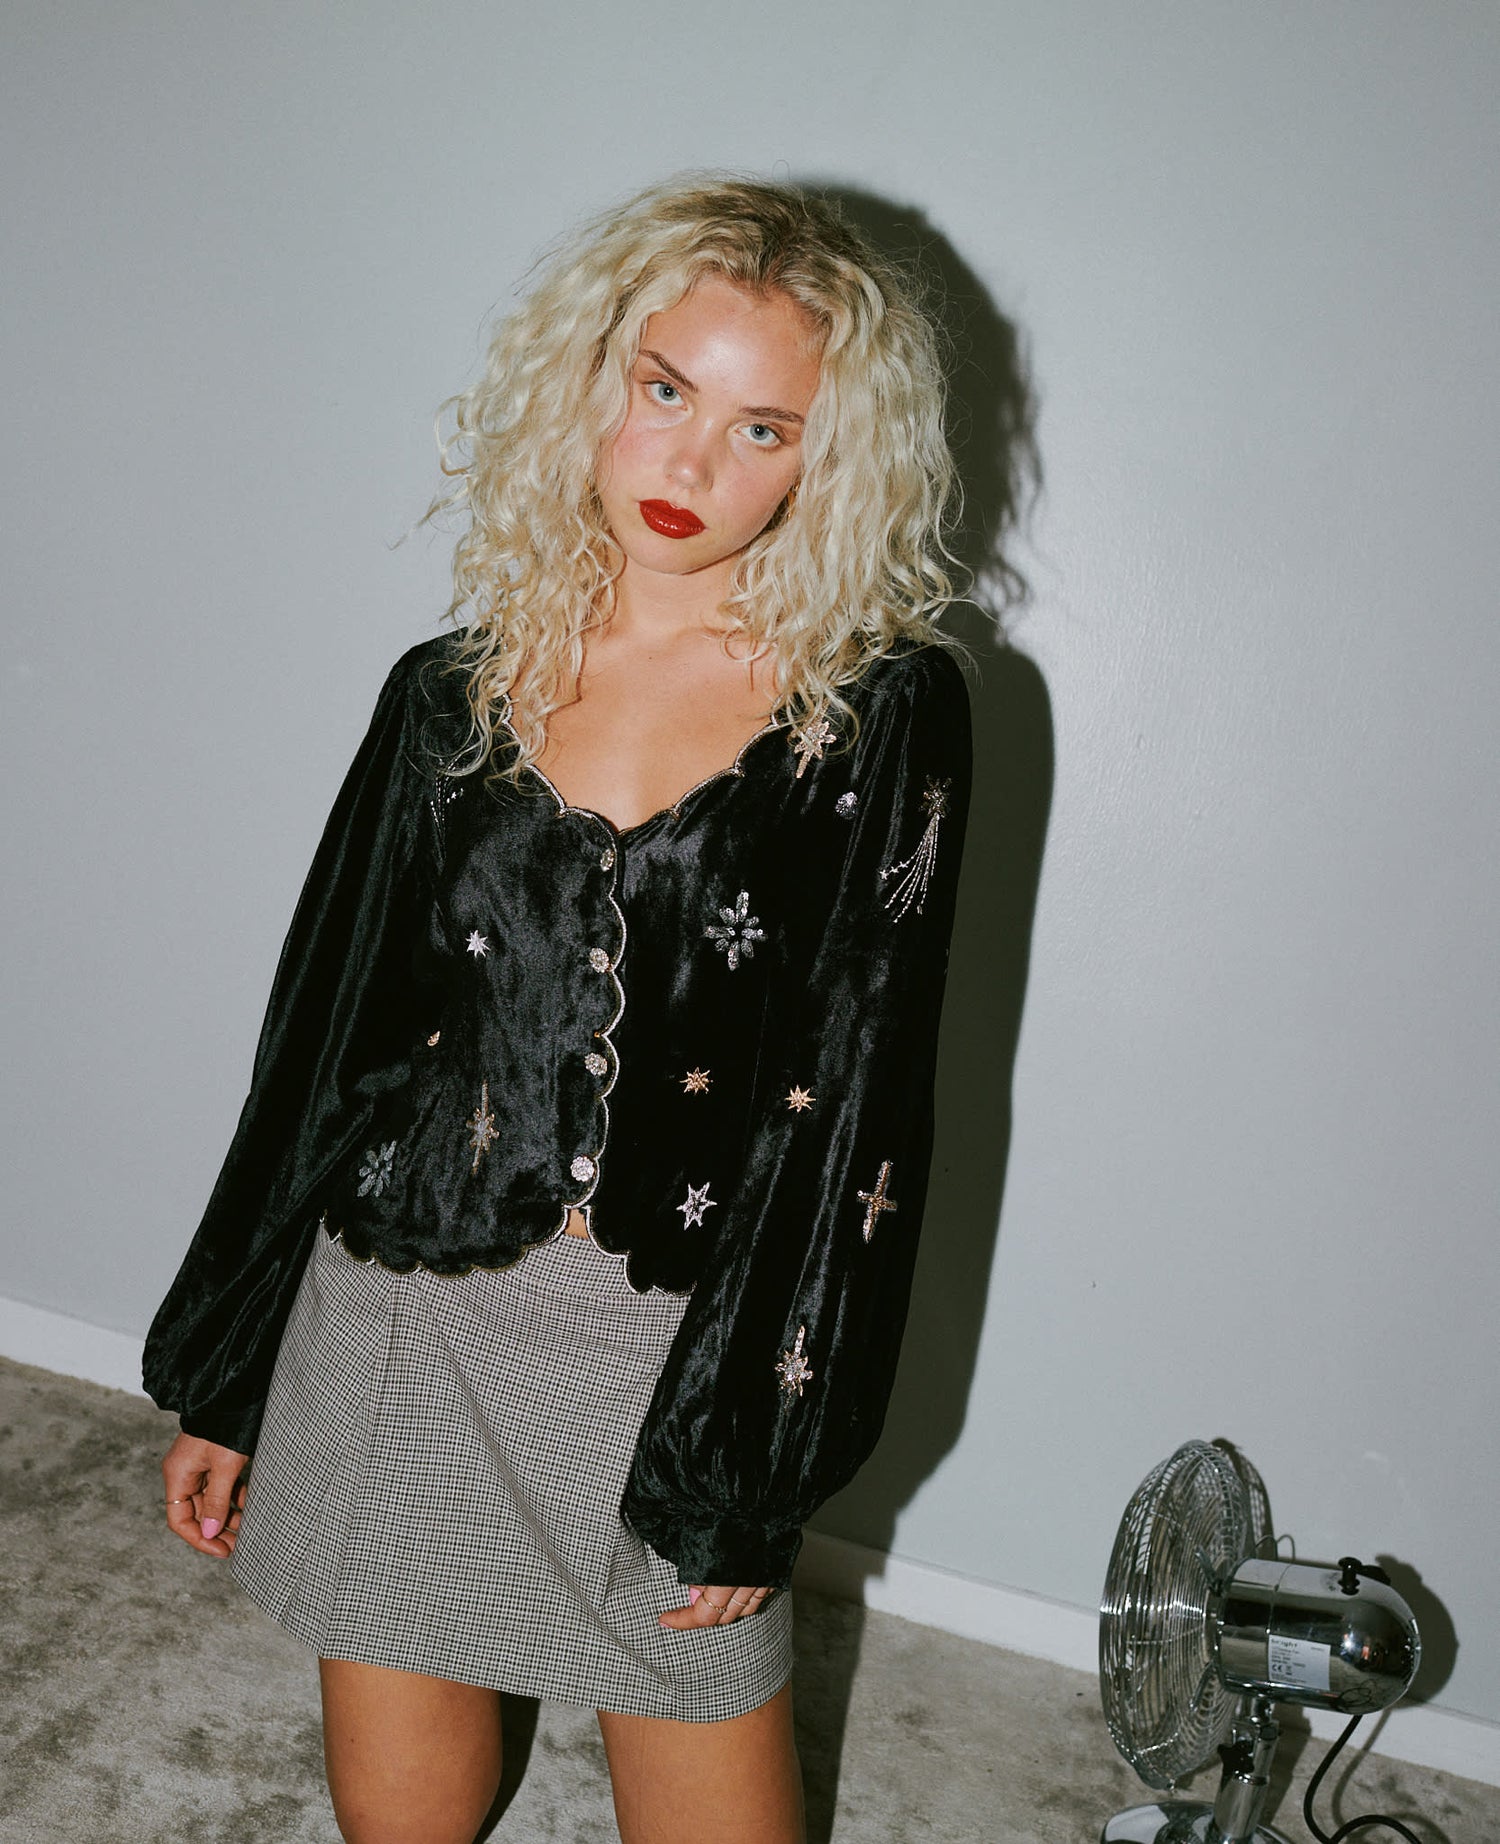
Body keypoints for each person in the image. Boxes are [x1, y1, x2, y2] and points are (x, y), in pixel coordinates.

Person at [143, 174, 976, 1844]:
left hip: (674, 1351)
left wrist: (751, 1462)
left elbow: (858, 1107)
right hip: (405, 1313)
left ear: (826, 461)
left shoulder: (881, 714)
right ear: (592, 376)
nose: (692, 462)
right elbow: (325, 1036)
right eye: (666, 389)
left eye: (762, 428)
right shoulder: (445, 693)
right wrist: (228, 1370)